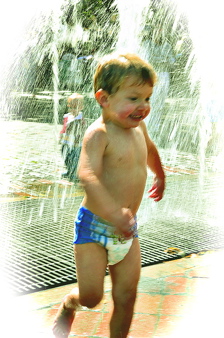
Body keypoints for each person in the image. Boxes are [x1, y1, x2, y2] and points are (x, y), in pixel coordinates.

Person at [53, 53, 165, 338]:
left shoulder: (139, 127)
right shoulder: (98, 134)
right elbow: (87, 176)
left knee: (127, 298)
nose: (143, 107)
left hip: (127, 231)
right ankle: (70, 303)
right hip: (94, 228)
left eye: (148, 98)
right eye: (134, 98)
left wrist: (160, 174)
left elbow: (150, 150)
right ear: (104, 99)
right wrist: (115, 214)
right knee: (92, 298)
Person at [59, 93, 85, 182]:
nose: (73, 110)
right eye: (71, 107)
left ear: (81, 107)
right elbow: (64, 127)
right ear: (68, 106)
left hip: (76, 143)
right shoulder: (67, 116)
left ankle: (74, 173)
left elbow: (82, 130)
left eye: (75, 107)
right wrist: (61, 135)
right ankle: (69, 170)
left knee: (74, 158)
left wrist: (79, 140)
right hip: (66, 141)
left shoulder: (80, 118)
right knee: (64, 154)